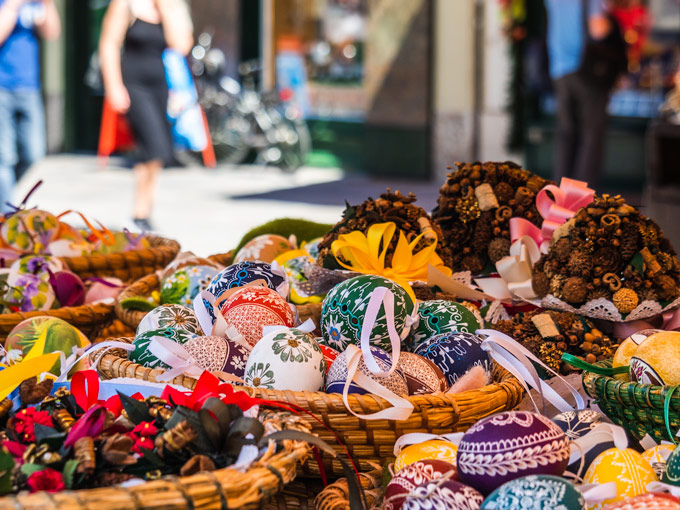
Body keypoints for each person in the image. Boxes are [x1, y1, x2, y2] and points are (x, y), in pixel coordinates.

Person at [100, 0, 192, 231]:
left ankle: (144, 212)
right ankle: (139, 213)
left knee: (157, 153)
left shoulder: (171, 7)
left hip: (160, 85)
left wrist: (167, 9)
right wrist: (114, 87)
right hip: (134, 85)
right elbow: (109, 44)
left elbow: (181, 45)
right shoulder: (126, 5)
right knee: (153, 145)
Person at [544, 0, 616, 187]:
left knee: (566, 135)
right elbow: (597, 28)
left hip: (559, 68)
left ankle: (560, 198)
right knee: (591, 137)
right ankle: (581, 201)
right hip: (586, 68)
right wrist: (616, 25)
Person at [0, 0, 60, 212]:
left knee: (34, 153)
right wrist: (13, 6)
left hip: (29, 86)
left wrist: (47, 4)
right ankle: (7, 219)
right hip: (2, 86)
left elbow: (52, 33)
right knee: (4, 159)